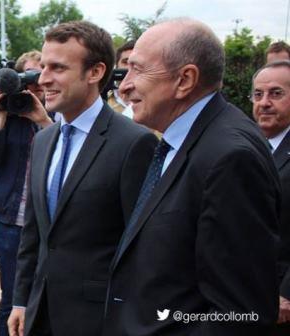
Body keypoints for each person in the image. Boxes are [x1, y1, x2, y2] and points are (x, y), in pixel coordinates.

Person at [103, 18, 281, 336]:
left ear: (185, 80)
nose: (124, 85)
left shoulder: (229, 157)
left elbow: (241, 315)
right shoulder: (183, 140)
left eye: (137, 70)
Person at [8, 21, 157, 336]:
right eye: (44, 66)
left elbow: (145, 247)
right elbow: (34, 235)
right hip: (40, 314)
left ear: (95, 72)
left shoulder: (134, 143)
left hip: (99, 320)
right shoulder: (44, 140)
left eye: (58, 68)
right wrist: (21, 300)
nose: (43, 78)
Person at [0, 50, 53, 336]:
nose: (35, 83)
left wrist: (43, 119)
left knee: (45, 296)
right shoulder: (5, 114)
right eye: (28, 76)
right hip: (10, 221)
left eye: (40, 74)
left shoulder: (56, 113)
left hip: (47, 223)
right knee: (12, 298)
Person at [252, 60, 290, 335]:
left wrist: (288, 293)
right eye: (258, 94)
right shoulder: (247, 144)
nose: (264, 103)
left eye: (276, 94)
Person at [107, 40, 135, 114]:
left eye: (135, 63)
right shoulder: (101, 100)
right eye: (126, 62)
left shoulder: (154, 103)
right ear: (116, 66)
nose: (129, 68)